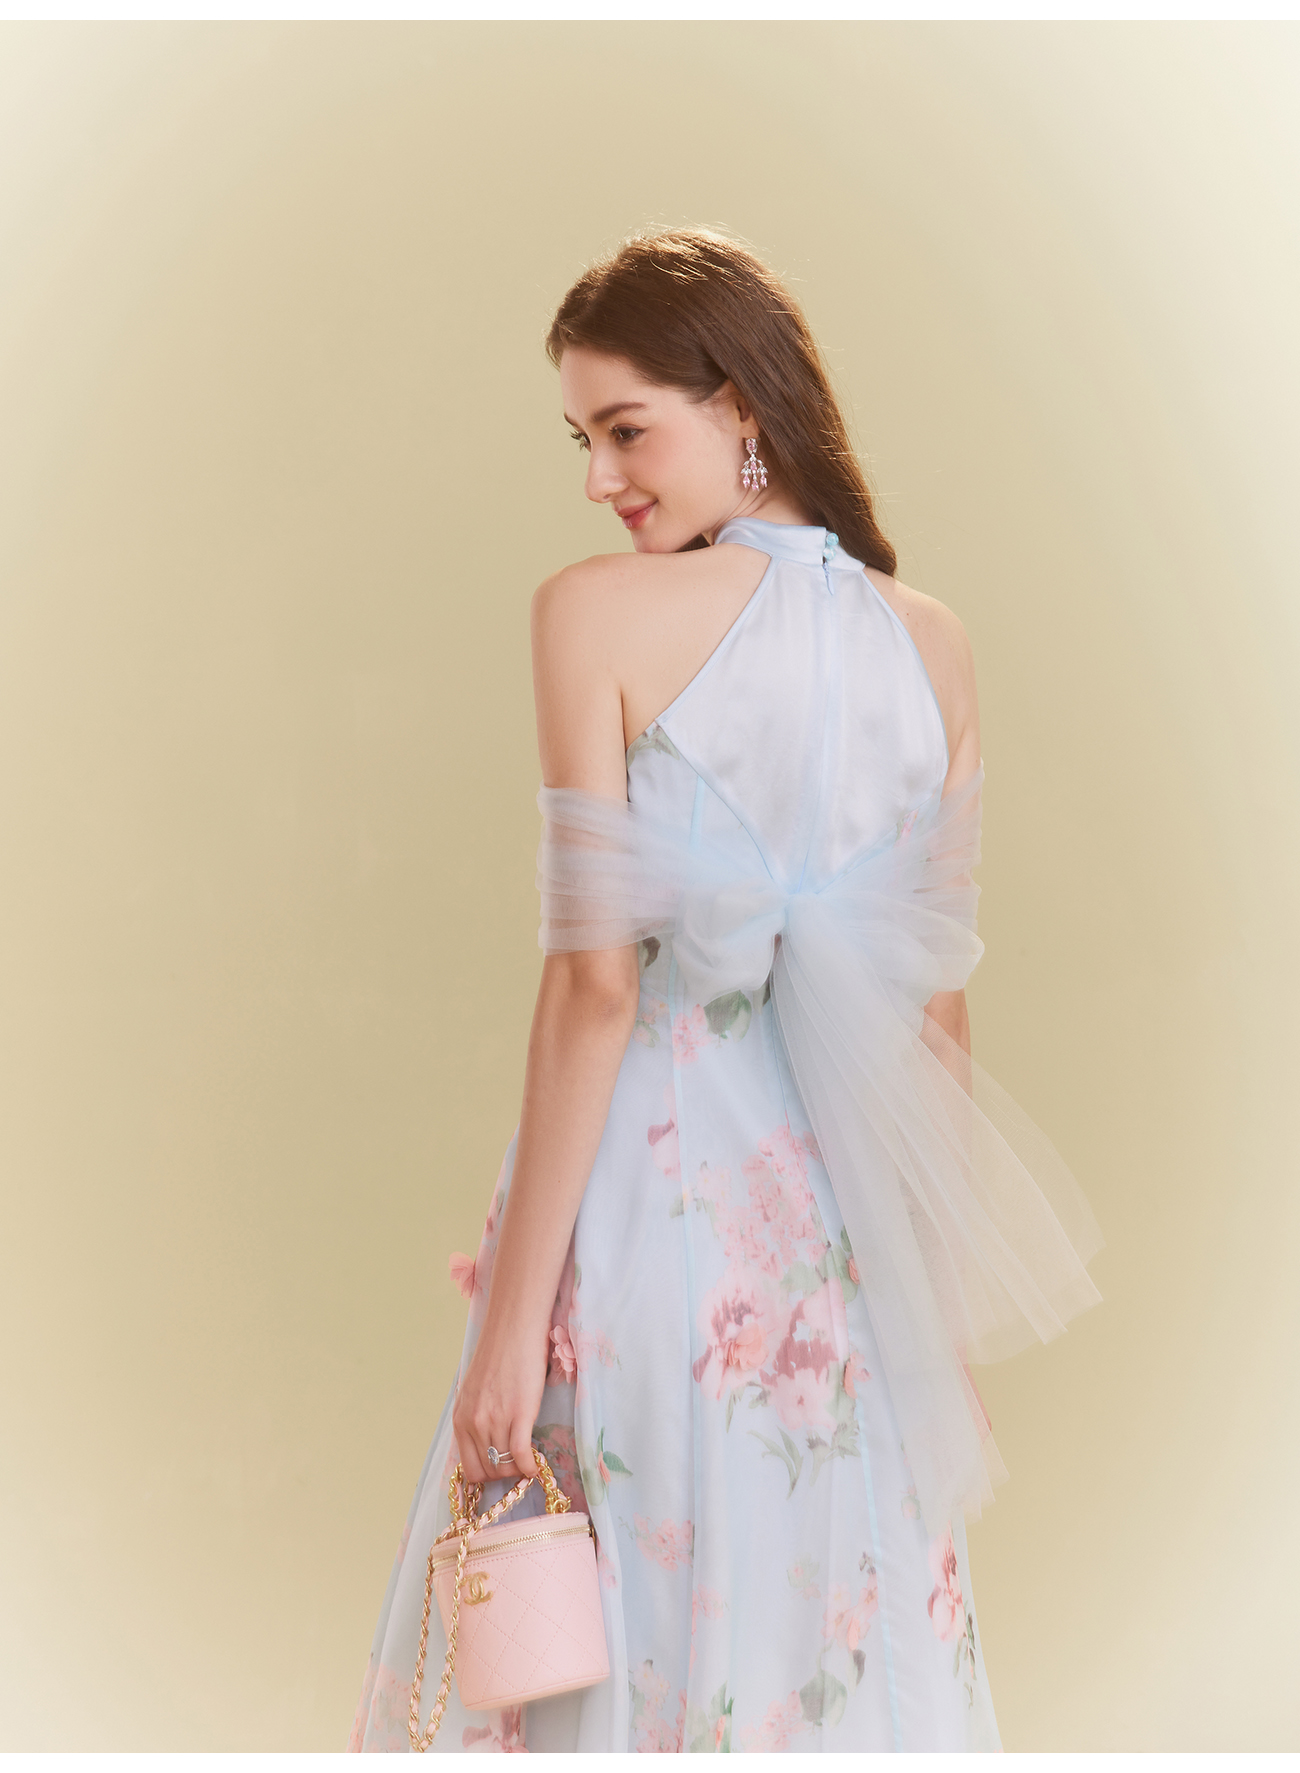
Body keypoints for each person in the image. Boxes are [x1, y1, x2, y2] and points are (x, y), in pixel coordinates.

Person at [348, 228, 1102, 1754]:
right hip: (846, 1269)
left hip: (656, 1228)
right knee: (834, 1649)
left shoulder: (591, 613)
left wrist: (507, 1328)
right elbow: (933, 1020)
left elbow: (594, 992)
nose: (597, 479)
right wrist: (932, 1337)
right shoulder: (934, 647)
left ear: (741, 407)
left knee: (623, 1645)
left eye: (626, 431)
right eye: (581, 439)